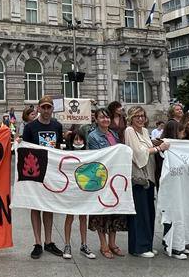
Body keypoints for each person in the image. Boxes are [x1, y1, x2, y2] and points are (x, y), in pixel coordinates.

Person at [22, 96, 65, 259]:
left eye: (49, 107)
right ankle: (38, 242)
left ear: (52, 108)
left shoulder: (57, 126)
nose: (46, 110)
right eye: (44, 107)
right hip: (35, 171)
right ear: (39, 108)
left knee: (48, 206)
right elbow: (25, 149)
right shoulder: (30, 127)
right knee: (35, 206)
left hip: (52, 171)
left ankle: (48, 241)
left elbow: (60, 147)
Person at [124, 105, 166, 257]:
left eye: (142, 116)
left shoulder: (145, 131)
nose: (141, 119)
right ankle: (138, 247)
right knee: (139, 213)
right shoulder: (129, 131)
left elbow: (146, 147)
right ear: (131, 118)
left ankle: (147, 244)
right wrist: (159, 148)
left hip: (149, 176)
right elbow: (138, 153)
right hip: (138, 177)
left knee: (149, 211)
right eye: (137, 116)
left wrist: (154, 143)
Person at [87, 109, 123, 258]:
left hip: (114, 176)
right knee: (101, 211)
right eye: (102, 117)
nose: (105, 119)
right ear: (96, 120)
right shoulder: (93, 136)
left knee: (114, 209)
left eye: (107, 117)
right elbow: (97, 157)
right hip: (101, 178)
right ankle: (103, 244)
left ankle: (112, 242)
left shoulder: (113, 134)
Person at [58, 125, 95, 260]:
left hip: (83, 190)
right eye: (76, 139)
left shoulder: (88, 154)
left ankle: (84, 244)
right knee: (70, 217)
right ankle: (67, 244)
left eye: (81, 140)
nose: (78, 142)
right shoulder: (66, 154)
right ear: (71, 141)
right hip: (71, 191)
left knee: (83, 217)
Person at [157, 118, 189, 258]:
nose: (183, 134)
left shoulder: (176, 147)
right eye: (181, 131)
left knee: (178, 215)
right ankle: (173, 245)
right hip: (170, 187)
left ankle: (177, 243)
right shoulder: (166, 147)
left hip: (178, 186)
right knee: (172, 215)